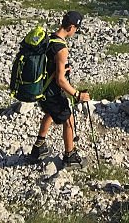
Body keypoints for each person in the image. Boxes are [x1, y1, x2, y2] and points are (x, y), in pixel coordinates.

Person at [30, 11, 90, 167]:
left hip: (41, 89)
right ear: (71, 27)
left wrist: (62, 69)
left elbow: (50, 65)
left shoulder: (50, 38)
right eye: (76, 28)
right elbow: (60, 80)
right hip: (52, 92)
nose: (76, 31)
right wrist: (77, 95)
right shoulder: (62, 48)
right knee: (68, 118)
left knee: (50, 112)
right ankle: (69, 155)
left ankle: (39, 147)